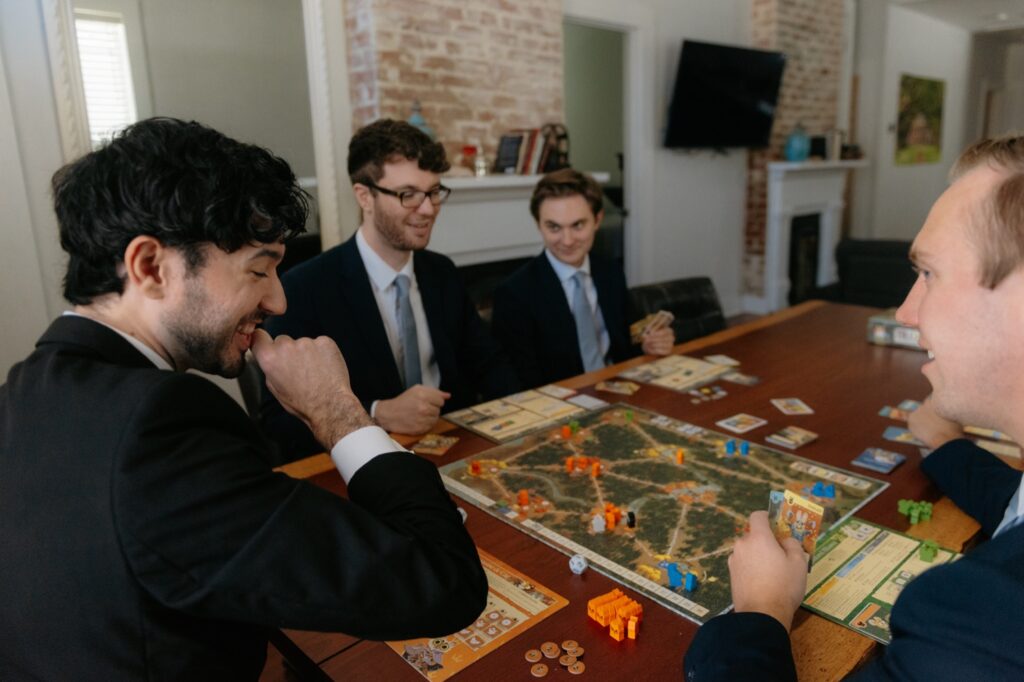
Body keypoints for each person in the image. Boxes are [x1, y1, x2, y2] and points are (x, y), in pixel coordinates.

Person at [0, 118, 487, 680]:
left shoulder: (22, 390)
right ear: (150, 267)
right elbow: (440, 580)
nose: (279, 299)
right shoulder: (161, 426)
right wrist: (338, 411)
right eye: (259, 269)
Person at [683, 135, 1024, 680]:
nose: (907, 312)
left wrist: (761, 609)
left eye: (929, 274)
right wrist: (947, 444)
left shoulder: (976, 617)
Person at [261, 119, 519, 459]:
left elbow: (490, 364)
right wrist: (378, 411)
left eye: (433, 192)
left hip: (454, 449)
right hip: (362, 468)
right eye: (408, 195)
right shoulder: (303, 287)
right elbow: (278, 421)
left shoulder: (442, 272)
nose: (427, 209)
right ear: (364, 196)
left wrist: (527, 424)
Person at [490, 169, 675, 388]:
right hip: (560, 405)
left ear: (597, 220)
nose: (567, 241)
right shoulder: (514, 294)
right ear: (538, 224)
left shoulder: (611, 271)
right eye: (554, 227)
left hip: (618, 388)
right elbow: (520, 382)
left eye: (578, 225)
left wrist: (650, 344)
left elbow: (627, 342)